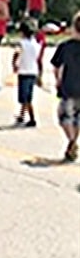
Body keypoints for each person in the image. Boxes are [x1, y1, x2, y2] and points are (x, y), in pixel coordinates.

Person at [50, 11, 80, 163]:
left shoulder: (65, 47)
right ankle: (74, 140)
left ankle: (72, 140)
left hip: (69, 87)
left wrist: (58, 81)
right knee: (77, 119)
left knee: (65, 117)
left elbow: (57, 67)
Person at [13, 21, 43, 127]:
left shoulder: (21, 43)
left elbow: (17, 53)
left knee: (25, 98)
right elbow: (39, 60)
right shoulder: (36, 44)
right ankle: (21, 115)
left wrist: (14, 64)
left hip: (24, 72)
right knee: (26, 96)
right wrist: (40, 75)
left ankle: (32, 118)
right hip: (33, 71)